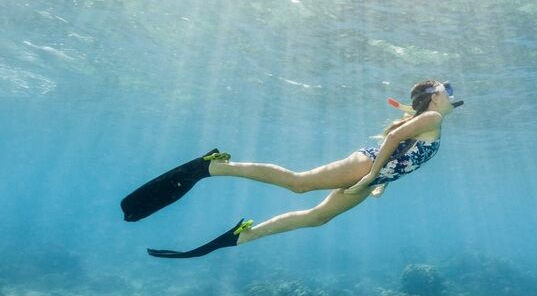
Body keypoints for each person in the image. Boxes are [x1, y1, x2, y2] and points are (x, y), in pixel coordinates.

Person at [121, 80, 463, 258]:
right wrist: (372, 175)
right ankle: (214, 167)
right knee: (298, 184)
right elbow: (394, 140)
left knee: (318, 218)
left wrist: (382, 182)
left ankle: (244, 235)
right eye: (447, 90)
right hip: (367, 165)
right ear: (434, 98)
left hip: (374, 174)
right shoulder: (431, 118)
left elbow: (404, 153)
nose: (451, 94)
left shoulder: (430, 118)